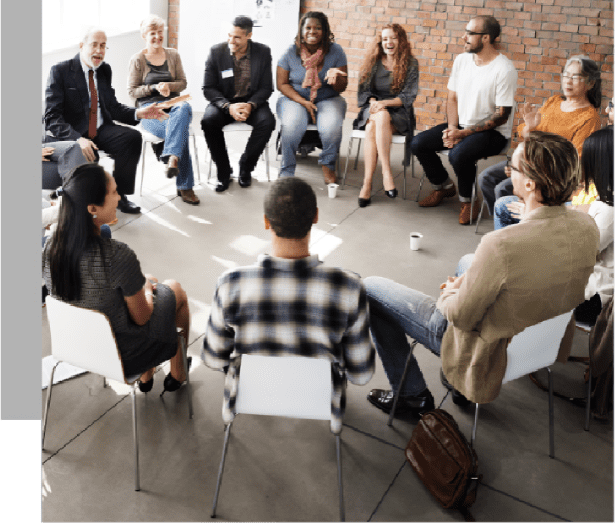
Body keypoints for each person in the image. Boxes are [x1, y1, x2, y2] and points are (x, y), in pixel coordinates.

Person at [365, 131, 599, 417]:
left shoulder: (500, 244)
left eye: (511, 167)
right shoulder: (587, 226)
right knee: (468, 261)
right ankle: (459, 387)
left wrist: (451, 291)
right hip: (540, 342)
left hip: (489, 349)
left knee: (370, 288)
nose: (506, 171)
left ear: (529, 183)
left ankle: (411, 395)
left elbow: (461, 316)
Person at [202, 177, 375, 433]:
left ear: (265, 221)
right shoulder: (348, 287)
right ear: (316, 217)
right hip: (321, 401)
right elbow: (361, 374)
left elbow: (215, 358)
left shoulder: (231, 283)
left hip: (250, 396)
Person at [42, 164, 191, 393]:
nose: (119, 197)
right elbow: (142, 319)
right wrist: (148, 290)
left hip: (76, 346)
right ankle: (177, 373)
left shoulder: (50, 248)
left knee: (148, 279)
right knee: (175, 289)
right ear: (92, 208)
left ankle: (147, 376)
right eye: (113, 193)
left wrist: (145, 284)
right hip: (123, 355)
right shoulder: (117, 256)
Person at [44, 27, 168, 214]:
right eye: (94, 44)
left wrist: (140, 113)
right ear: (81, 46)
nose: (99, 50)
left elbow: (112, 106)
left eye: (103, 46)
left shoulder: (104, 70)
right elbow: (52, 116)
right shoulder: (60, 71)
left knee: (132, 138)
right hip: (75, 133)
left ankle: (119, 196)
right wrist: (77, 139)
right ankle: (80, 199)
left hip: (101, 129)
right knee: (87, 156)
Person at [411, 16, 517, 224]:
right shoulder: (462, 60)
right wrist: (452, 129)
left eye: (469, 33)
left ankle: (468, 202)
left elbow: (501, 115)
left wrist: (464, 134)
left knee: (458, 155)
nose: (463, 37)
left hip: (494, 133)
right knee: (418, 143)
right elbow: (452, 98)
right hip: (461, 125)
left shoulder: (504, 69)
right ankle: (444, 186)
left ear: (486, 38)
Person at [479, 55, 602, 218]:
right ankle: (505, 220)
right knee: (486, 178)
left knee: (503, 188)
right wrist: (529, 127)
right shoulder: (554, 102)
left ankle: (522, 226)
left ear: (590, 83)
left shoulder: (589, 117)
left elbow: (573, 161)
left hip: (549, 175)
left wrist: (526, 171)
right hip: (528, 159)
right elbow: (527, 134)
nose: (568, 81)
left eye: (575, 77)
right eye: (565, 75)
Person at [128, 15, 199, 205]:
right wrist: (153, 88)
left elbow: (182, 83)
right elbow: (132, 91)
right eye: (153, 33)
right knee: (179, 129)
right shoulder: (137, 60)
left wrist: (169, 86)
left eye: (160, 32)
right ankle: (185, 185)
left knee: (183, 108)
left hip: (173, 106)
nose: (158, 37)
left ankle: (172, 157)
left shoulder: (173, 55)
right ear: (144, 35)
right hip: (149, 110)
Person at [201, 16, 276, 192]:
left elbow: (266, 87)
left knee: (268, 122)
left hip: (251, 101)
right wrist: (228, 106)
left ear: (249, 35)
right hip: (225, 103)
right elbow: (208, 88)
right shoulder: (216, 52)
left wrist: (250, 105)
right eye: (229, 35)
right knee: (208, 121)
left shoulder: (262, 52)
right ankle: (224, 171)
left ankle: (246, 167)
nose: (231, 41)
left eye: (236, 37)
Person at [276, 11, 348, 183]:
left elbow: (342, 87)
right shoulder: (290, 52)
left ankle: (328, 165)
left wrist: (337, 77)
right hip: (295, 98)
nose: (312, 31)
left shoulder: (336, 51)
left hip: (327, 98)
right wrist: (303, 102)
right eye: (308, 27)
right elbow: (282, 84)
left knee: (331, 126)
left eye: (317, 28)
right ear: (301, 30)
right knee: (292, 124)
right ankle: (287, 170)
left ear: (324, 31)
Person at [354, 24, 419, 206]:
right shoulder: (373, 61)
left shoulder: (411, 64)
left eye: (393, 38)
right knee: (379, 117)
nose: (389, 42)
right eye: (385, 39)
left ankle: (367, 184)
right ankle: (385, 174)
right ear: (380, 42)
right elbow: (364, 90)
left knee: (373, 125)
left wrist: (384, 103)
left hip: (398, 111)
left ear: (401, 41)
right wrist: (375, 102)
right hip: (374, 107)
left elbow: (407, 96)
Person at [572, 127, 613, 325]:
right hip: (589, 283)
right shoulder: (605, 198)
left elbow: (580, 253)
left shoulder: (610, 210)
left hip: (596, 297)